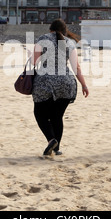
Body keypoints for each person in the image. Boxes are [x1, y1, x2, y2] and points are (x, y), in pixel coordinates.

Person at [32, 19, 89, 156]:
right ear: (65, 30)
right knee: (57, 117)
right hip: (66, 82)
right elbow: (77, 67)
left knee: (40, 114)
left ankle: (51, 140)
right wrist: (84, 84)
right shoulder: (70, 43)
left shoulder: (43, 39)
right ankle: (56, 148)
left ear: (50, 29)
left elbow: (34, 62)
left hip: (45, 82)